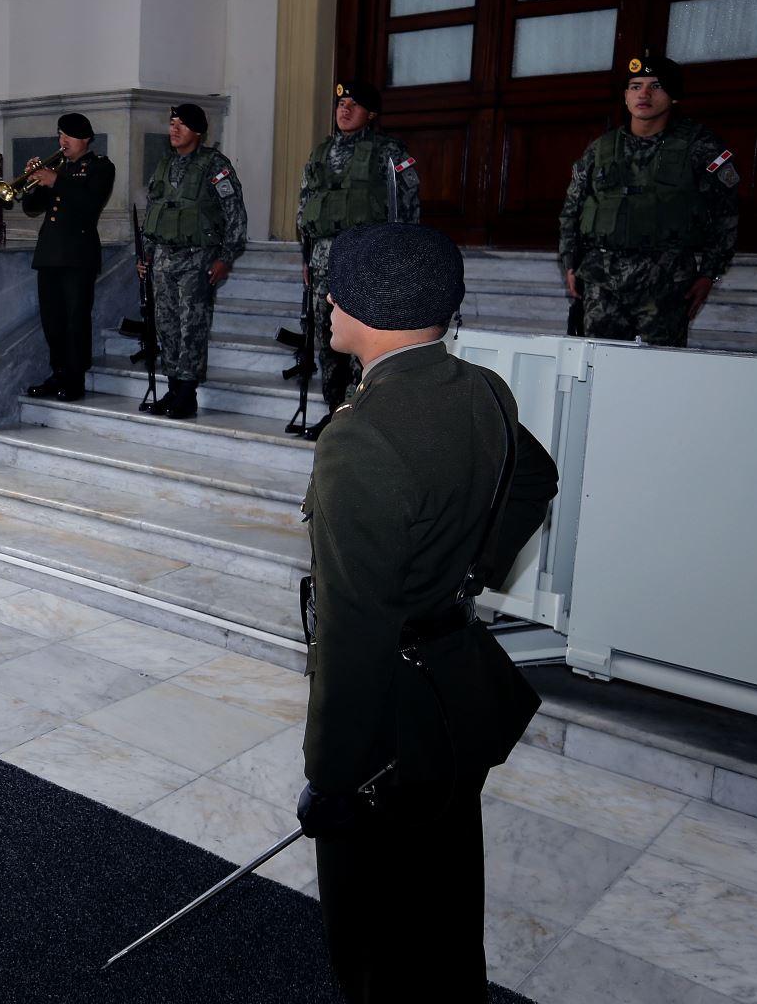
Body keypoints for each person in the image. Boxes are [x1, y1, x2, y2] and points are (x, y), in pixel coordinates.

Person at [295, 223, 558, 1002]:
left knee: (374, 925)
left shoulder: (361, 440)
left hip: (392, 711)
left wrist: (331, 776)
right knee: (443, 888)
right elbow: (535, 477)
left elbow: (354, 634)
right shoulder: (479, 388)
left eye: (334, 287)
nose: (327, 300)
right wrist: (468, 569)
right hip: (453, 680)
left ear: (365, 307)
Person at [559, 53, 740, 347]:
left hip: (666, 285)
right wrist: (570, 261)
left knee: (659, 373)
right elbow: (571, 210)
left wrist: (709, 274)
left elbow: (725, 216)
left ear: (674, 96)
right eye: (635, 86)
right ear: (625, 97)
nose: (643, 93)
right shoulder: (600, 149)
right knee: (598, 369)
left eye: (655, 85)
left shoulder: (700, 147)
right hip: (602, 283)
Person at [296, 80, 420, 438]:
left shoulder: (389, 152)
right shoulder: (320, 153)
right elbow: (306, 206)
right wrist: (307, 257)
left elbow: (407, 206)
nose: (344, 110)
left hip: (369, 258)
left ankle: (359, 412)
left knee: (362, 341)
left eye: (353, 104)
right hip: (324, 261)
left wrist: (400, 252)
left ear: (372, 114)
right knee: (327, 340)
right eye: (340, 104)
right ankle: (333, 410)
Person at [137, 102, 247, 419]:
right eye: (171, 122)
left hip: (197, 259)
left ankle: (187, 393)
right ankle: (173, 389)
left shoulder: (215, 165)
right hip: (163, 261)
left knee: (192, 328)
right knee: (167, 327)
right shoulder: (164, 165)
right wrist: (145, 255)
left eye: (181, 124)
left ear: (197, 132)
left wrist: (226, 257)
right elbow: (153, 215)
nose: (174, 129)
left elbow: (235, 216)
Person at [22, 113, 116, 402]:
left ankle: (75, 378)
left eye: (69, 136)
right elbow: (31, 208)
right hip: (49, 253)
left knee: (76, 319)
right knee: (53, 320)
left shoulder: (100, 167)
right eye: (60, 134)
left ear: (85, 139)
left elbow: (90, 204)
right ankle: (58, 372)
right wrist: (35, 180)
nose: (62, 141)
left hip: (78, 254)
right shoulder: (58, 168)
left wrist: (55, 181)